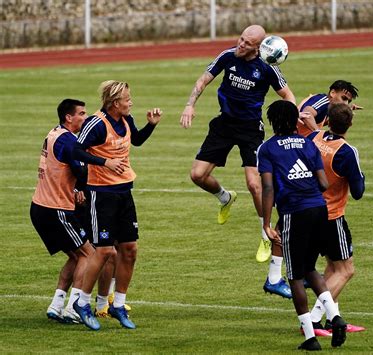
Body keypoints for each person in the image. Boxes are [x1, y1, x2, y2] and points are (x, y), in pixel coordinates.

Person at [180, 25, 296, 298]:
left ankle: (265, 234)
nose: (240, 44)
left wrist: (289, 121)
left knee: (255, 184)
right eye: (241, 39)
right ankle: (224, 197)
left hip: (250, 130)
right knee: (197, 175)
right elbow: (203, 80)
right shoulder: (227, 56)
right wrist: (190, 104)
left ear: (258, 47)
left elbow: (288, 96)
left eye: (247, 42)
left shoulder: (268, 67)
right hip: (223, 125)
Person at [72, 80, 163, 330]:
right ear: (115, 103)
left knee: (130, 249)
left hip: (124, 191)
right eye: (127, 99)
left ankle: (118, 304)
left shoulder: (125, 119)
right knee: (102, 251)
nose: (130, 102)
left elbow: (138, 141)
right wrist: (104, 163)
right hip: (102, 195)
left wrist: (151, 126)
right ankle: (82, 302)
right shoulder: (96, 123)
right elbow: (76, 151)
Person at [258, 100, 347, 351]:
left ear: (273, 122)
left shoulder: (267, 149)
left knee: (295, 276)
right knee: (310, 268)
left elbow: (267, 187)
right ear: (294, 121)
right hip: (319, 210)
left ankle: (310, 338)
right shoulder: (308, 144)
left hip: (293, 213)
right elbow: (322, 182)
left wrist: (266, 223)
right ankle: (335, 316)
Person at [30, 99, 94, 324]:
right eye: (81, 113)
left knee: (76, 256)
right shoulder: (68, 141)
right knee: (89, 254)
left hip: (39, 206)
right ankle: (74, 307)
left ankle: (56, 305)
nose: (84, 118)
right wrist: (82, 186)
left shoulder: (53, 134)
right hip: (56, 208)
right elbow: (81, 169)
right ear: (69, 117)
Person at [306, 102, 365, 335]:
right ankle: (312, 319)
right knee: (346, 270)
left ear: (327, 120)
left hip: (308, 212)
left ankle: (332, 319)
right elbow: (358, 192)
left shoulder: (313, 137)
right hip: (331, 216)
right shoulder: (347, 151)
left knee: (332, 266)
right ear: (350, 124)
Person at [297, 80, 361, 137]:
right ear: (332, 93)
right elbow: (306, 114)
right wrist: (319, 135)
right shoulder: (323, 101)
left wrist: (342, 114)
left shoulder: (328, 106)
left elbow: (318, 121)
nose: (346, 104)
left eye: (348, 101)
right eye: (344, 98)